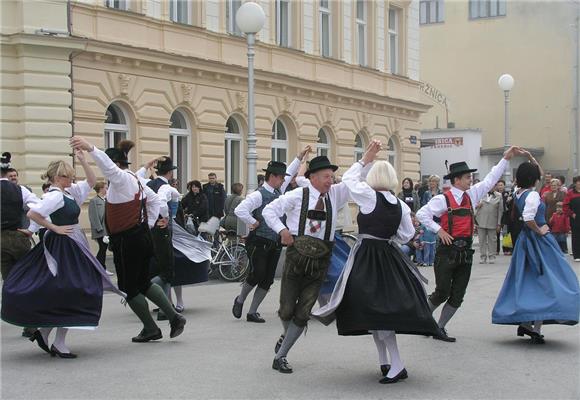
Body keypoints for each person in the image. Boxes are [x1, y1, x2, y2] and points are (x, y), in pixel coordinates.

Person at [313, 140, 440, 384]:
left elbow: (349, 179)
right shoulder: (400, 204)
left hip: (367, 257)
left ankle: (397, 363)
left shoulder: (369, 195)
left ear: (372, 177)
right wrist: (388, 235)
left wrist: (365, 159)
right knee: (375, 311)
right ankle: (384, 360)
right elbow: (406, 234)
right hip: (389, 256)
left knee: (376, 310)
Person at [1, 151, 125, 358]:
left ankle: (49, 335)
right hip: (62, 247)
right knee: (70, 290)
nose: (72, 179)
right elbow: (33, 213)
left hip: (72, 245)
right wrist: (55, 228)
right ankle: (51, 336)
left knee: (71, 291)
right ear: (58, 178)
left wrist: (85, 160)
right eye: (68, 176)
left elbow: (92, 181)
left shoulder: (69, 192)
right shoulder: (55, 195)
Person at [70, 136, 186, 343]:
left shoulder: (121, 179)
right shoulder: (135, 178)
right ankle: (174, 317)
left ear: (115, 165)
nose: (106, 176)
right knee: (143, 283)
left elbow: (110, 170)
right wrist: (149, 224)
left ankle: (151, 328)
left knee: (128, 288)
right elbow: (156, 201)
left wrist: (91, 149)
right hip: (140, 237)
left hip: (127, 241)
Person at [416, 146, 521, 342]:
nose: (470, 180)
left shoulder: (471, 195)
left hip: (466, 252)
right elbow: (422, 214)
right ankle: (423, 321)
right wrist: (439, 230)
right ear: (456, 180)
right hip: (447, 252)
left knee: (458, 295)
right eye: (467, 177)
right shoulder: (442, 199)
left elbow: (491, 179)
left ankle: (439, 327)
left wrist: (505, 159)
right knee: (442, 292)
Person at [263, 154, 351, 374]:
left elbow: (354, 178)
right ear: (312, 177)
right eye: (326, 176)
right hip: (296, 259)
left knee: (303, 313)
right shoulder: (297, 195)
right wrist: (282, 230)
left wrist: (367, 159)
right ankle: (286, 335)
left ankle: (280, 356)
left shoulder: (335, 196)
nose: (331, 180)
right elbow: (269, 211)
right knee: (286, 310)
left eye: (332, 176)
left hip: (320, 262)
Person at [492, 160, 579, 343]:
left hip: (526, 241)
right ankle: (534, 326)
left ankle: (528, 324)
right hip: (539, 240)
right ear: (534, 178)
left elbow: (536, 178)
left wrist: (531, 159)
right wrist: (540, 230)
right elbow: (529, 218)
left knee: (529, 281)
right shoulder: (531, 195)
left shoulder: (519, 193)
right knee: (549, 280)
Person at [232, 146, 309, 323]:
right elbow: (240, 209)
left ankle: (252, 312)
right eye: (281, 178)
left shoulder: (278, 192)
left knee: (267, 279)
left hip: (274, 242)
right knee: (257, 274)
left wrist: (299, 157)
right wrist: (253, 222)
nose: (284, 181)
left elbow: (289, 173)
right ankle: (240, 299)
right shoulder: (258, 195)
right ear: (273, 177)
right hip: (258, 241)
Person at [138, 156, 179, 321]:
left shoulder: (148, 183)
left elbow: (136, 176)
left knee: (156, 266)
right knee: (167, 269)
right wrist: (166, 217)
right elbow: (162, 202)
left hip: (148, 229)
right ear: (169, 172)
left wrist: (147, 165)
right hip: (161, 230)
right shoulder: (165, 187)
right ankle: (142, 288)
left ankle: (166, 307)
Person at [0, 152, 38, 281]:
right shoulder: (21, 190)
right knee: (25, 275)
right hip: (18, 235)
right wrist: (31, 229)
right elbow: (39, 209)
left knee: (8, 278)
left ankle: (8, 300)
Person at [88, 181, 113, 275]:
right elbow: (93, 217)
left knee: (104, 248)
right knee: (102, 248)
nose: (107, 190)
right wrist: (100, 230)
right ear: (101, 189)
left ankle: (99, 268)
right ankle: (101, 268)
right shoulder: (94, 201)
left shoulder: (106, 200)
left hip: (107, 230)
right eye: (106, 188)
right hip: (101, 230)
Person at [474, 189, 503, 264]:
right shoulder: (480, 194)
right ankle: (483, 256)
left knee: (492, 240)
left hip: (493, 220)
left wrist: (499, 223)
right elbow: (473, 206)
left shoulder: (499, 196)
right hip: (480, 220)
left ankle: (492, 256)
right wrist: (477, 206)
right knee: (482, 240)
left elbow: (500, 211)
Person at [563, 176, 580, 261]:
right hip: (575, 218)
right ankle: (577, 255)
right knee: (576, 236)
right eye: (578, 182)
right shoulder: (570, 193)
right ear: (575, 183)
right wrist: (571, 214)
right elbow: (565, 206)